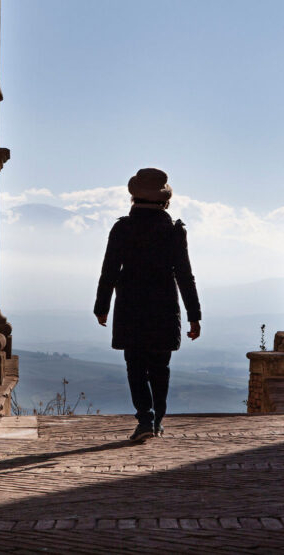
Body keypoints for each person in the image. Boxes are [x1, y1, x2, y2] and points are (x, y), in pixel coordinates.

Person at [94, 167, 202, 443]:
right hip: (164, 307)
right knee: (160, 367)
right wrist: (194, 314)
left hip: (130, 305)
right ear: (165, 201)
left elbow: (109, 270)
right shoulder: (174, 232)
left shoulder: (122, 228)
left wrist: (102, 305)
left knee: (135, 365)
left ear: (134, 198)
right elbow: (184, 275)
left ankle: (145, 417)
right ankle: (156, 421)